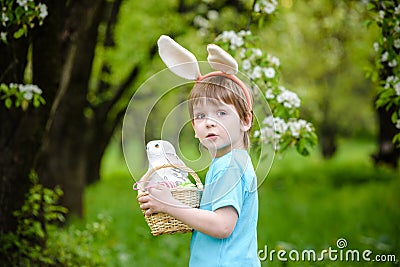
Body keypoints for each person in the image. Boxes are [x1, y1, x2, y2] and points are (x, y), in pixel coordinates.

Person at [138, 74, 261, 267]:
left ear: (245, 120)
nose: (209, 122)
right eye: (201, 116)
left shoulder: (230, 166)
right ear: (194, 127)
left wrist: (169, 205)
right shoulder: (231, 162)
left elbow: (222, 226)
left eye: (221, 113)